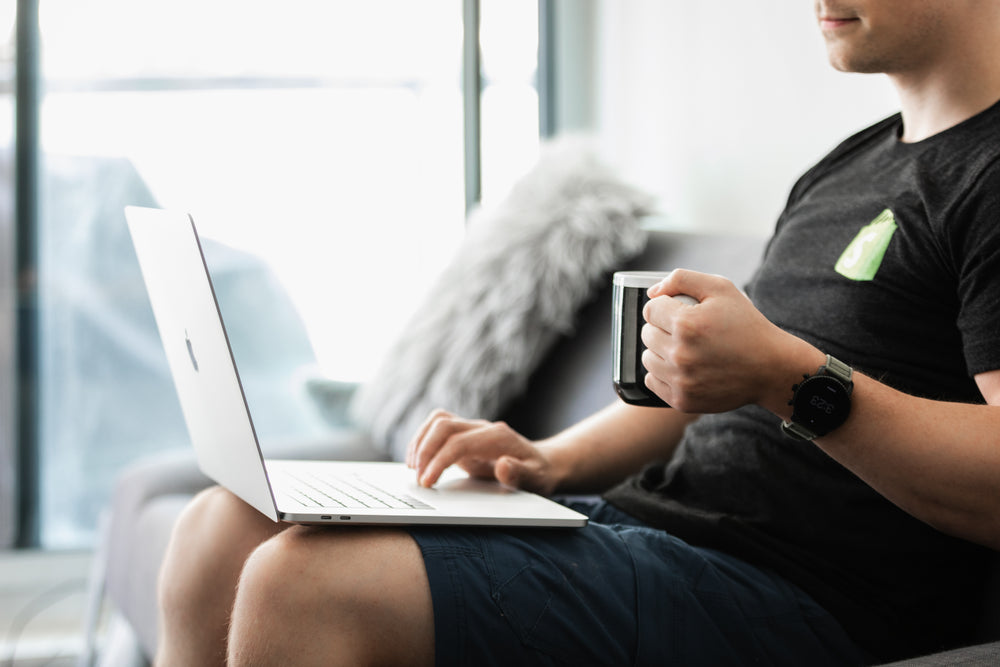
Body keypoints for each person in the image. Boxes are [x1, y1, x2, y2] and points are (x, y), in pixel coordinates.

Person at [155, 1, 1000, 665]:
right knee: (220, 528)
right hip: (654, 531)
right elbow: (696, 390)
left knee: (303, 582)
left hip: (806, 598)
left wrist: (788, 375)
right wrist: (544, 457)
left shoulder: (988, 176)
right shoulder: (848, 165)